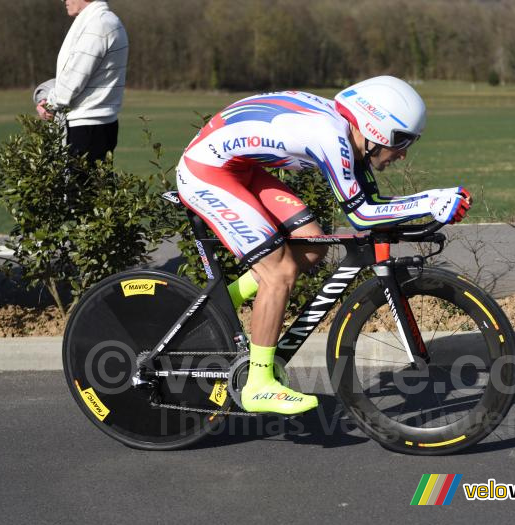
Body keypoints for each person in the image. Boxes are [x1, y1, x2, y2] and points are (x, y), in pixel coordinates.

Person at [177, 75, 471, 415]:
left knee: (312, 246)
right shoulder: (331, 137)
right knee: (280, 271)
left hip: (240, 169)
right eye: (401, 140)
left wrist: (428, 203)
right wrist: (430, 200)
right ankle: (258, 384)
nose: (403, 155)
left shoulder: (347, 133)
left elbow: (372, 202)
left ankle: (217, 308)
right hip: (208, 172)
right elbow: (363, 216)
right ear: (375, 128)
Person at [35, 0, 128, 163]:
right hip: (96, 125)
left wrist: (48, 103)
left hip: (87, 128)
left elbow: (71, 84)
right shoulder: (105, 21)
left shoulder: (97, 25)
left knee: (81, 188)